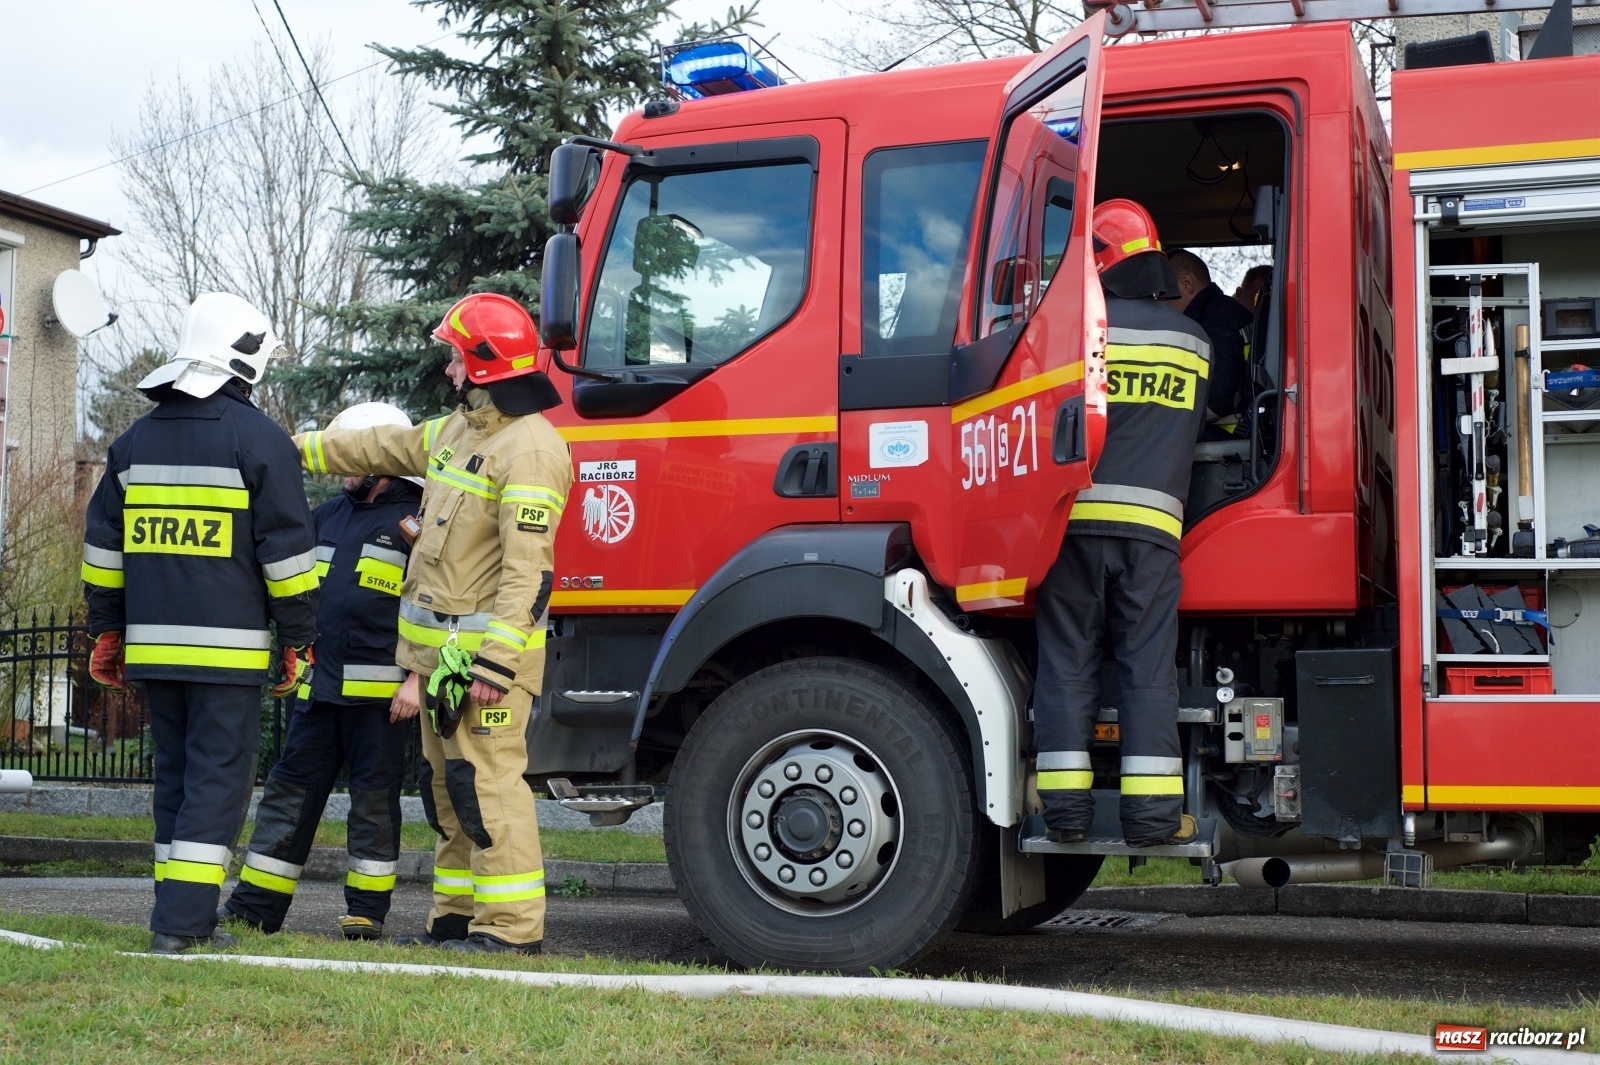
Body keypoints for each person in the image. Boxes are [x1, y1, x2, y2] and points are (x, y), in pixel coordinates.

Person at [292, 293, 571, 955]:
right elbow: (383, 444)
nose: (448, 368)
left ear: (481, 362)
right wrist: (298, 450)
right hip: (445, 658)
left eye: (454, 354)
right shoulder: (460, 431)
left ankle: (509, 929)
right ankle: (454, 920)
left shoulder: (529, 448)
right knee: (449, 789)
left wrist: (497, 663)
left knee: (489, 788)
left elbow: (529, 572)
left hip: (482, 665)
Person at [82, 292, 319, 954]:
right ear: (245, 358)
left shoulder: (132, 444)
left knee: (177, 780)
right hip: (229, 656)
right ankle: (182, 925)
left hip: (154, 651)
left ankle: (172, 910)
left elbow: (103, 554)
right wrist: (300, 637)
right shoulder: (262, 442)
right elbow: (291, 562)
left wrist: (109, 630)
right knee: (217, 781)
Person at [1033, 201, 1210, 848]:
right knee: (1148, 670)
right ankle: (1153, 819)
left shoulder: (1079, 333)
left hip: (1073, 527)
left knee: (1066, 666)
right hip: (1153, 536)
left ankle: (1065, 818)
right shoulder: (1195, 339)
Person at [220, 402, 424, 940]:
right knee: (287, 795)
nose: (343, 471)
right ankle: (255, 906)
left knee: (373, 805)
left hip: (383, 704)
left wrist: (417, 680)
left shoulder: (420, 523)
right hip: (319, 692)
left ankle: (366, 911)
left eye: (352, 459)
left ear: (383, 463)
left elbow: (436, 606)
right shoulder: (329, 515)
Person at [1167, 248, 1254, 438]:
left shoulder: (1215, 322)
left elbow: (1218, 400)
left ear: (1187, 284)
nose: (1159, 306)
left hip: (1228, 435)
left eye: (1162, 296)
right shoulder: (1220, 312)